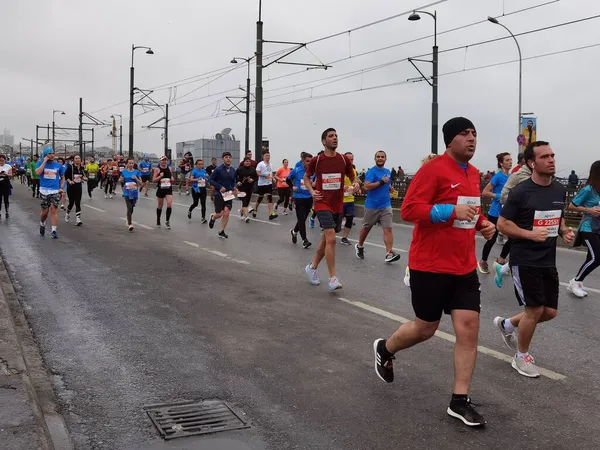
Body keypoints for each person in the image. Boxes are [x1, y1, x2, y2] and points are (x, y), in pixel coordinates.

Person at [373, 117, 495, 427]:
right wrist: (449, 211)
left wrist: (483, 224)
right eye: (465, 134)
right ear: (450, 140)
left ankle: (459, 400)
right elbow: (410, 209)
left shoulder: (474, 174)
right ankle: (385, 349)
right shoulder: (432, 170)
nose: (472, 139)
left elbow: (471, 210)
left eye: (474, 134)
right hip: (429, 266)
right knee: (425, 328)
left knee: (468, 330)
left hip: (463, 267)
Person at [495, 141, 574, 378]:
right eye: (545, 157)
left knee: (549, 312)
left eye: (552, 155)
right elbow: (503, 224)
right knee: (534, 309)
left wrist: (564, 231)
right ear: (532, 163)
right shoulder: (521, 192)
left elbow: (558, 217)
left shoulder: (559, 190)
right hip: (525, 258)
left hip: (548, 259)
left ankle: (507, 325)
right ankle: (521, 357)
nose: (551, 160)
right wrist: (530, 234)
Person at [303, 128, 358, 291]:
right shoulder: (317, 160)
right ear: (323, 141)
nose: (334, 138)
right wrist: (312, 192)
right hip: (322, 203)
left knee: (326, 240)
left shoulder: (343, 159)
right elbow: (306, 177)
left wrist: (355, 184)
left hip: (338, 204)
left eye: (336, 136)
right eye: (330, 136)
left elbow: (353, 176)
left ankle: (312, 268)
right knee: (331, 238)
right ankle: (332, 278)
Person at [355, 151, 401, 263]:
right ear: (375, 159)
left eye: (382, 157)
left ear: (386, 159)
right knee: (367, 228)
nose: (380, 158)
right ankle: (359, 246)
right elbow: (366, 186)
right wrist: (380, 182)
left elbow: (387, 182)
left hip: (385, 205)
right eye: (378, 157)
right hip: (372, 206)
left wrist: (390, 188)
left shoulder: (387, 171)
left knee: (388, 229)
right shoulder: (372, 172)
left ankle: (389, 253)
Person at [566, 160, 600, 298]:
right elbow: (571, 206)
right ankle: (576, 281)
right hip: (588, 227)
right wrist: (589, 210)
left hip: (598, 228)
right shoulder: (588, 190)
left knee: (590, 258)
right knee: (597, 257)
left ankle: (577, 282)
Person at [477, 152, 513, 275]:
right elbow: (485, 192)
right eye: (507, 160)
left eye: (511, 159)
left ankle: (500, 261)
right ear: (501, 163)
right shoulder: (497, 176)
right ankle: (483, 261)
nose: (510, 162)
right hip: (496, 212)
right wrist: (499, 196)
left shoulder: (512, 176)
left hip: (508, 212)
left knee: (513, 238)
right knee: (492, 239)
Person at [35, 147, 66, 238]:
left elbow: (63, 177)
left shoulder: (58, 166)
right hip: (44, 190)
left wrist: (61, 187)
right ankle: (42, 223)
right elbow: (37, 173)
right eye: (49, 154)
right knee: (45, 212)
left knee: (54, 209)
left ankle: (53, 231)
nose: (52, 155)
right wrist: (44, 162)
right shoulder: (40, 163)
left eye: (53, 153)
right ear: (45, 155)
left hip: (55, 190)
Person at [208, 152, 238, 238]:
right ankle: (213, 217)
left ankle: (221, 231)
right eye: (226, 157)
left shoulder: (232, 170)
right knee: (220, 214)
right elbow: (210, 179)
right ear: (223, 159)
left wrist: (234, 187)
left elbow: (234, 180)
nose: (228, 159)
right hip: (219, 194)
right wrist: (219, 186)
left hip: (228, 194)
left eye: (229, 157)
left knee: (227, 213)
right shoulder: (218, 169)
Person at [288, 152, 313, 249]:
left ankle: (294, 231)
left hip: (308, 197)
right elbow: (288, 180)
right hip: (298, 197)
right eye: (307, 161)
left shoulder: (312, 171)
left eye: (310, 161)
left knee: (304, 218)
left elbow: (314, 181)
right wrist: (292, 187)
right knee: (301, 219)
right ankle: (304, 240)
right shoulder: (296, 170)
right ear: (303, 161)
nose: (309, 163)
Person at [340, 152, 358, 246]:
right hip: (339, 200)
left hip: (350, 199)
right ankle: (329, 237)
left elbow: (356, 182)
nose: (350, 162)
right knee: (336, 222)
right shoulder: (339, 170)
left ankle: (344, 238)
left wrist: (356, 188)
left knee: (350, 219)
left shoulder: (353, 171)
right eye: (348, 159)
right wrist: (342, 187)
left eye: (352, 160)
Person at [120, 157, 142, 231]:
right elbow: (121, 180)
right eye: (129, 163)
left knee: (132, 208)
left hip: (134, 193)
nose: (131, 164)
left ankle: (128, 217)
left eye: (132, 163)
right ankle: (130, 224)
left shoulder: (137, 172)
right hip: (127, 192)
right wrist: (121, 180)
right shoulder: (124, 172)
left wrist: (136, 178)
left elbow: (141, 183)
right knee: (129, 207)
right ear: (127, 164)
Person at [254, 151, 278, 220]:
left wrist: (273, 178)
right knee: (260, 198)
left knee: (270, 197)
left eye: (269, 155)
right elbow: (257, 173)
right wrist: (264, 175)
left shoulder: (270, 164)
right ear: (263, 156)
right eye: (266, 155)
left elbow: (270, 173)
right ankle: (255, 209)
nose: (268, 157)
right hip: (261, 184)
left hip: (268, 183)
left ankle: (271, 214)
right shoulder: (260, 164)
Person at [64, 155, 86, 226]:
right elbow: (66, 176)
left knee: (78, 202)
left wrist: (84, 179)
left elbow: (82, 176)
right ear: (73, 160)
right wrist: (70, 181)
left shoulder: (82, 168)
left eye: (79, 158)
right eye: (76, 158)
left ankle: (78, 219)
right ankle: (67, 213)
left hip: (78, 187)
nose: (78, 159)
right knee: (71, 203)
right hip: (71, 187)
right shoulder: (70, 167)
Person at [153, 156, 174, 229]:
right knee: (160, 205)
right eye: (162, 160)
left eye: (165, 160)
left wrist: (172, 179)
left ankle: (167, 221)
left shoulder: (170, 168)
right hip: (161, 189)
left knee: (169, 204)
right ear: (160, 161)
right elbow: (154, 180)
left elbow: (171, 177)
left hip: (168, 188)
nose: (164, 161)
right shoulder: (157, 169)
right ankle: (158, 220)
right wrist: (159, 177)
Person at [236, 157, 256, 223]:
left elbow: (256, 177)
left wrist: (252, 179)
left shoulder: (253, 169)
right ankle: (246, 216)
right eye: (246, 161)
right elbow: (234, 177)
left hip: (249, 187)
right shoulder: (240, 169)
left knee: (246, 203)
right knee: (244, 200)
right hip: (241, 188)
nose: (248, 162)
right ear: (244, 162)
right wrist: (237, 182)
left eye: (249, 161)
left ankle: (241, 211)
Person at [187, 159, 208, 223]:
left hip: (203, 188)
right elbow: (190, 179)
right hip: (196, 188)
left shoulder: (204, 171)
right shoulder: (194, 171)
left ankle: (203, 218)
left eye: (202, 164)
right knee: (195, 203)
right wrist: (197, 179)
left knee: (203, 203)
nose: (200, 165)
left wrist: (206, 178)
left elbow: (206, 178)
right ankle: (190, 211)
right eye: (199, 164)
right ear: (196, 165)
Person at [0, 155, 12, 219]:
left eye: (3, 160)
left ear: (5, 160)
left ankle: (7, 211)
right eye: (0, 160)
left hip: (6, 183)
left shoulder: (8, 166)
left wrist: (5, 174)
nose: (1, 162)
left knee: (6, 199)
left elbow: (11, 174)